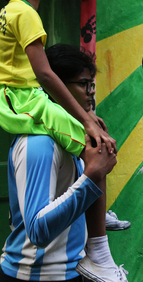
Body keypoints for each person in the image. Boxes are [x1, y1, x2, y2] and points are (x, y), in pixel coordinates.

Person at [0, 0, 121, 280]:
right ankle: (100, 252)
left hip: (66, 272)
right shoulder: (38, 145)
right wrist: (88, 177)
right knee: (95, 143)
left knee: (94, 142)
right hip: (33, 276)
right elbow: (44, 75)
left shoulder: (12, 13)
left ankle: (97, 234)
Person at [0, 134, 120, 281]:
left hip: (75, 268)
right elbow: (38, 231)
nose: (92, 110)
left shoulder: (71, 136)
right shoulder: (39, 142)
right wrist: (92, 176)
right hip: (35, 275)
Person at [45, 43, 131, 232]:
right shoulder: (42, 142)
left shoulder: (79, 122)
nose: (90, 91)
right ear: (56, 85)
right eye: (83, 84)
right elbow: (39, 225)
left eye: (91, 84)